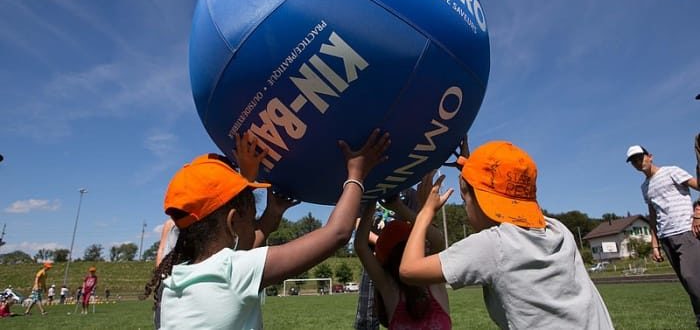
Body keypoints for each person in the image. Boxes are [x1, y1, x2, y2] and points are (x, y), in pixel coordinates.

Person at [145, 128, 390, 329]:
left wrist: (271, 213)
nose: (255, 222)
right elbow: (337, 232)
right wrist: (357, 173)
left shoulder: (175, 279)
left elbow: (246, 243)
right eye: (252, 216)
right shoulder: (233, 273)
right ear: (232, 222)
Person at [401, 140, 614, 329]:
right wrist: (472, 169)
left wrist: (424, 212)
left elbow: (409, 270)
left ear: (480, 202)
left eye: (466, 201)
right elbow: (496, 195)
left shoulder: (494, 245)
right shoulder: (558, 230)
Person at [355, 173, 451, 329]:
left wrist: (372, 199)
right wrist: (402, 208)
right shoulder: (431, 282)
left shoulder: (388, 287)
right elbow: (438, 239)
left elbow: (360, 245)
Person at [626, 144, 700, 327]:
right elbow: (652, 214)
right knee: (688, 285)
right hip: (666, 237)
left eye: (640, 157)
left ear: (650, 156)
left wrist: (698, 213)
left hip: (685, 232)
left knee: (691, 278)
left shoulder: (671, 172)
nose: (638, 162)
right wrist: (655, 243)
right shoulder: (645, 187)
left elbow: (698, 186)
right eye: (633, 161)